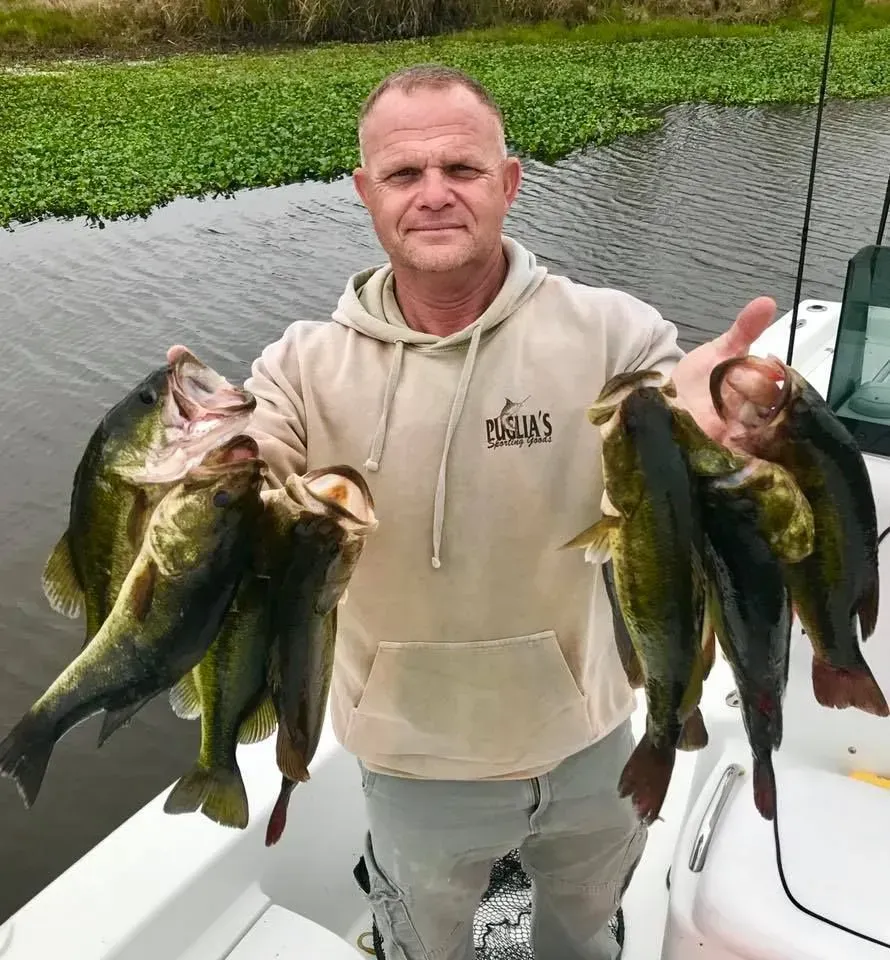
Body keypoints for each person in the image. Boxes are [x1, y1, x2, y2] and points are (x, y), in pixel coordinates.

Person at [176, 64, 779, 960]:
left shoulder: (613, 332)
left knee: (584, 932)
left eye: (461, 168)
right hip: (412, 762)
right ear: (365, 192)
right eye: (403, 173)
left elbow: (670, 406)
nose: (434, 194)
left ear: (510, 182)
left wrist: (708, 430)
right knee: (427, 943)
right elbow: (254, 467)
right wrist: (204, 463)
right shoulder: (300, 367)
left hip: (592, 738)